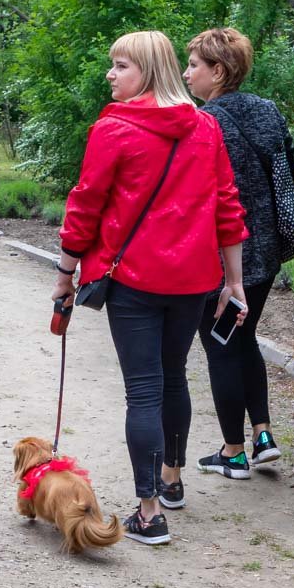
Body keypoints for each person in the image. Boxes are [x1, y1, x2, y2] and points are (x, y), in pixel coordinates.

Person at [53, 30, 249, 545]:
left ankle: (148, 512)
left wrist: (65, 273)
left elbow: (86, 205)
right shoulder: (205, 128)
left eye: (121, 66)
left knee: (144, 389)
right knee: (174, 378)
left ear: (147, 71)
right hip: (193, 282)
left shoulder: (114, 128)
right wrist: (235, 282)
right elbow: (228, 208)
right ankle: (172, 481)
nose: (110, 74)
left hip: (135, 279)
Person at [183, 27, 294, 479]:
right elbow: (291, 170)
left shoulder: (203, 121)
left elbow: (198, 192)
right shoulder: (268, 111)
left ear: (218, 71)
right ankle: (263, 435)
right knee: (244, 335)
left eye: (194, 65)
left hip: (222, 255)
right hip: (267, 251)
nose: (186, 73)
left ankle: (233, 451)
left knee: (219, 346)